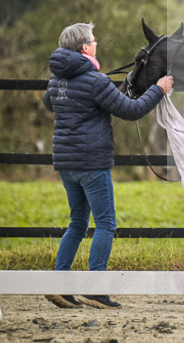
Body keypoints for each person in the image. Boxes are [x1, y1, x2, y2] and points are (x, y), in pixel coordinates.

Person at [42, 22, 173, 309]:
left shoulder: (57, 79)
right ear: (84, 48)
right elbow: (132, 110)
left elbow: (49, 103)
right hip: (92, 162)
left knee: (77, 223)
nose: (96, 41)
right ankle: (95, 289)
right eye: (93, 39)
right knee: (105, 223)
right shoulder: (95, 81)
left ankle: (58, 284)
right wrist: (158, 89)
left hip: (66, 163)